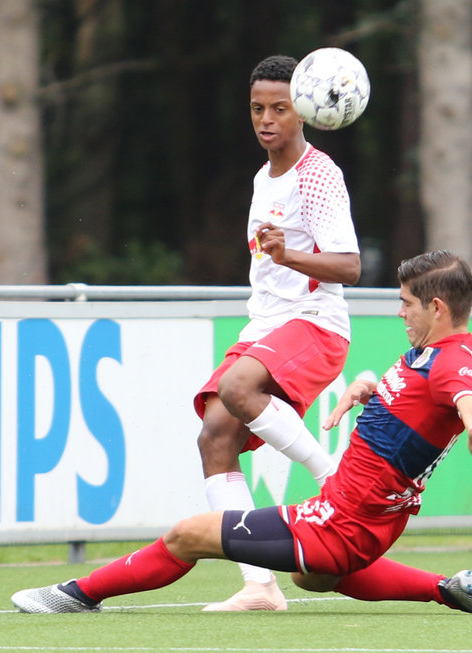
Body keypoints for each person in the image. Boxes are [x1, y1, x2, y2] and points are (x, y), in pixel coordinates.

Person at [11, 251, 472, 618]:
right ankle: (449, 589)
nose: (400, 311)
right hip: (363, 523)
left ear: (437, 309)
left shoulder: (454, 363)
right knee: (314, 577)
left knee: (188, 535)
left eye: (407, 303)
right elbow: (423, 405)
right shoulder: (432, 352)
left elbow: (471, 404)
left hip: (340, 523)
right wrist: (369, 387)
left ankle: (75, 594)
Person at [193, 55, 361, 611]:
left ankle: (330, 475)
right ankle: (259, 585)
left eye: (279, 108)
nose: (266, 119)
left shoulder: (318, 175)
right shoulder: (264, 177)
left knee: (239, 389)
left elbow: (351, 267)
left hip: (314, 325)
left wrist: (290, 254)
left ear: (304, 111)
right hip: (266, 324)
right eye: (257, 109)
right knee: (214, 437)